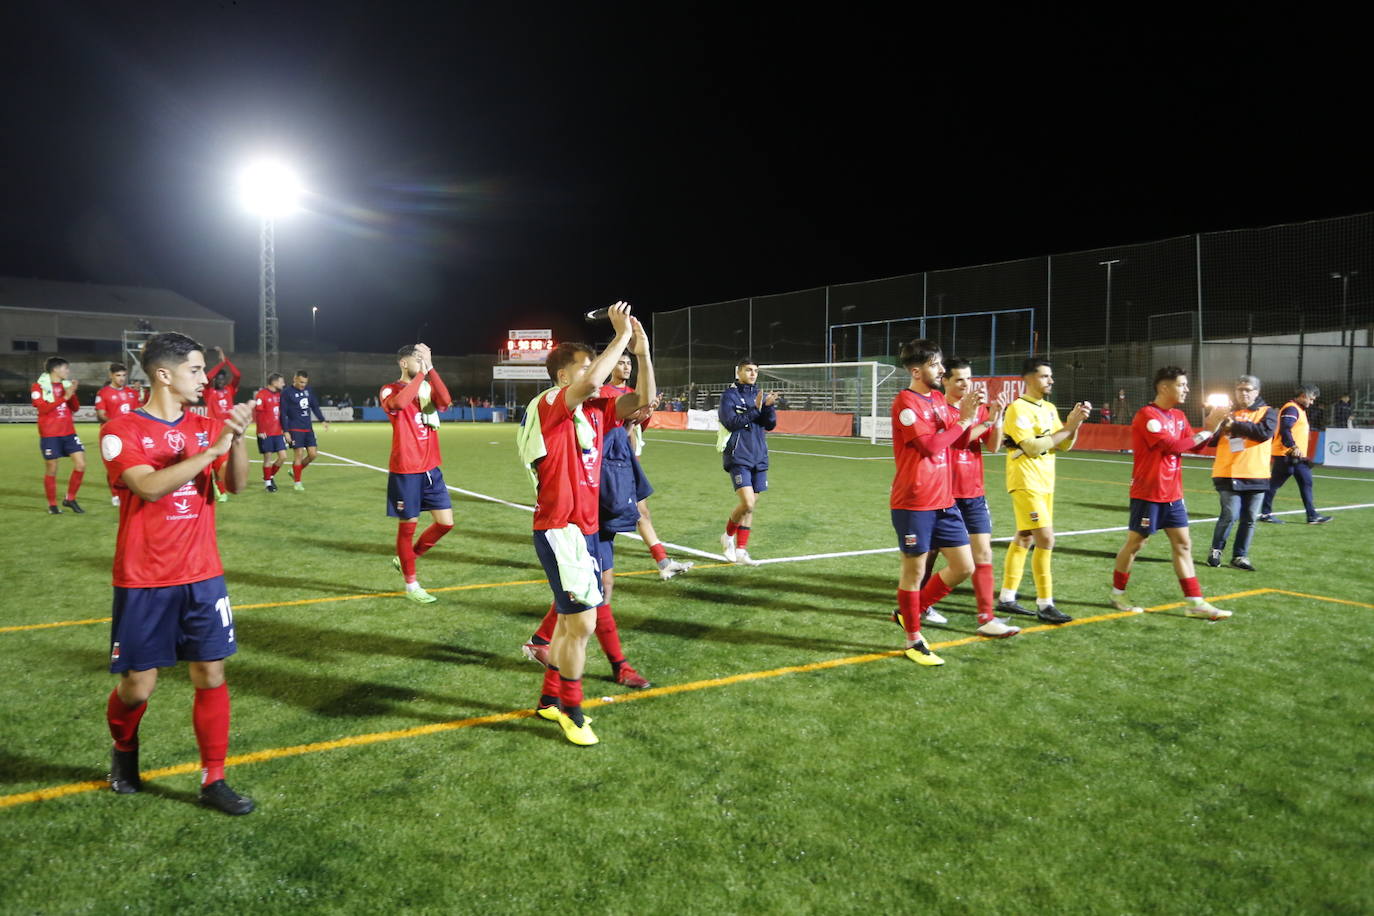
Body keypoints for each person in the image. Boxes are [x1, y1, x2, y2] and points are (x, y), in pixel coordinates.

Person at [98, 331, 257, 814]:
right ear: (164, 375)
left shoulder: (207, 425)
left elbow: (236, 484)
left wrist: (235, 440)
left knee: (210, 672)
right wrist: (209, 451)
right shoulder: (120, 429)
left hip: (202, 573)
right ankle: (125, 750)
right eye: (194, 370)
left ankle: (214, 779)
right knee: (138, 686)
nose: (202, 379)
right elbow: (147, 487)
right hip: (144, 578)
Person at [515, 302, 653, 746]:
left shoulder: (596, 407)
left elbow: (644, 402)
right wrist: (618, 338)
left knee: (566, 623)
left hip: (587, 529)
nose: (595, 371)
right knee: (582, 625)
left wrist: (643, 353)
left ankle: (550, 701)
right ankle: (573, 711)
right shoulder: (551, 403)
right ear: (562, 377)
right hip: (561, 529)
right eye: (586, 365)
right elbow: (594, 379)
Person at [889, 342, 1017, 666]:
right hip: (915, 502)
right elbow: (932, 446)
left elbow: (960, 438)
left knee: (964, 566)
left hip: (945, 501)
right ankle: (913, 640)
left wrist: (983, 420)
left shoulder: (936, 399)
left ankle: (911, 612)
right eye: (935, 365)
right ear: (916, 371)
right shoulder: (906, 402)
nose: (942, 370)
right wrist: (964, 420)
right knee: (914, 571)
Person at [1109, 366, 1233, 620]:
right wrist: (1208, 430)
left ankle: (1195, 602)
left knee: (1183, 544)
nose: (1187, 389)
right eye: (1182, 384)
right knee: (1136, 543)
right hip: (1148, 493)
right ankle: (1117, 594)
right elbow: (1172, 446)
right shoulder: (1147, 415)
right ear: (1164, 387)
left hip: (1173, 494)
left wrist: (1214, 424)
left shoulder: (1178, 416)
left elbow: (1196, 448)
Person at [917, 358, 1021, 638]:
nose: (966, 384)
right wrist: (982, 419)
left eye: (969, 379)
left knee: (983, 552)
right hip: (944, 492)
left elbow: (994, 446)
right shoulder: (938, 408)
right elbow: (957, 441)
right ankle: (916, 606)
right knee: (930, 554)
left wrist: (996, 418)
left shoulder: (979, 410)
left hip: (974, 492)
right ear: (946, 381)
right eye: (959, 379)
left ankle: (986, 618)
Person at [996, 358, 1090, 624]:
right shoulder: (1017, 409)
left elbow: (1064, 445)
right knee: (1046, 539)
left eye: (1051, 376)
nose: (1051, 380)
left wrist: (1075, 424)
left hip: (1045, 481)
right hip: (1026, 481)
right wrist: (1068, 428)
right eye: (1045, 376)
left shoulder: (1048, 408)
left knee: (1025, 537)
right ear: (1028, 379)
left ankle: (1006, 598)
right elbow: (1032, 447)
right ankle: (1045, 604)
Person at [604, 353, 693, 580]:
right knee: (630, 515)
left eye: (628, 363)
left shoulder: (634, 393)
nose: (625, 367)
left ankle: (663, 562)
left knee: (642, 513)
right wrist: (634, 416)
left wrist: (646, 414)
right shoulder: (606, 393)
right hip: (612, 465)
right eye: (621, 362)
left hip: (631, 462)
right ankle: (661, 562)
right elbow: (613, 430)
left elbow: (638, 429)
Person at [381, 344, 455, 604]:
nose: (421, 362)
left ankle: (406, 558)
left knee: (446, 523)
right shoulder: (390, 389)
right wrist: (422, 375)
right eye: (418, 359)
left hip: (431, 468)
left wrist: (431, 368)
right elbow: (399, 404)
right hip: (406, 470)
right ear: (403, 363)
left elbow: (445, 401)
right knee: (408, 528)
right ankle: (411, 586)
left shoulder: (426, 388)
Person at [1207, 375, 1276, 571]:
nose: (1243, 393)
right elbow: (1211, 440)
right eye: (1240, 389)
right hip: (1227, 472)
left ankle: (1240, 556)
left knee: (1249, 519)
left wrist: (1234, 425)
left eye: (1248, 389)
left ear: (1257, 392)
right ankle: (1216, 550)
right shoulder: (1227, 411)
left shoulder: (1268, 412)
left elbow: (1263, 432)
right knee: (1230, 514)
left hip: (1256, 474)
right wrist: (1215, 417)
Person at [718, 358, 777, 566]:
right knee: (748, 502)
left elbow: (769, 425)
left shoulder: (759, 394)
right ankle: (727, 536)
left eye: (755, 371)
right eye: (748, 370)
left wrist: (768, 408)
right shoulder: (729, 395)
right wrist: (755, 409)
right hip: (738, 455)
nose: (753, 374)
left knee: (751, 507)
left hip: (759, 456)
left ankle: (742, 550)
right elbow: (731, 422)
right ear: (738, 372)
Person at [1258, 385, 1331, 525]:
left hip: (1297, 457)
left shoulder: (1299, 410)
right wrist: (1292, 446)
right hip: (1286, 454)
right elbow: (1285, 429)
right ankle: (1265, 513)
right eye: (1311, 399)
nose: (1312, 402)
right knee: (1274, 485)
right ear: (1303, 395)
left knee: (1306, 483)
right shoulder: (1291, 408)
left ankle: (1312, 516)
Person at [32, 356, 87, 514]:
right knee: (52, 468)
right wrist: (64, 397)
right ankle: (52, 504)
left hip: (69, 432)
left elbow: (75, 408)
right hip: (50, 434)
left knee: (81, 464)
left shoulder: (66, 386)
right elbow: (43, 409)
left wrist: (72, 394)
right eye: (65, 368)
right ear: (55, 369)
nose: (68, 371)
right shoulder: (38, 387)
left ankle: (70, 499)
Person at [95, 363, 144, 507]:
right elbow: (101, 415)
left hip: (130, 435)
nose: (121, 378)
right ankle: (115, 494)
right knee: (114, 467)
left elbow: (137, 412)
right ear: (111, 375)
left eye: (123, 375)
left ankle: (131, 490)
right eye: (118, 375)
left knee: (132, 464)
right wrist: (117, 425)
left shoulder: (131, 393)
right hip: (111, 435)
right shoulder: (103, 393)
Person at [280, 369, 330, 491]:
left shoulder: (309, 391)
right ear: (295, 379)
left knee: (313, 455)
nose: (303, 385)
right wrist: (286, 431)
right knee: (299, 454)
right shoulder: (287, 393)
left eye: (305, 383)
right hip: (295, 428)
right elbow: (283, 413)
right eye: (301, 382)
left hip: (308, 428)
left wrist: (322, 420)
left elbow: (314, 406)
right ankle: (297, 483)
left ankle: (294, 470)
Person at [204, 347, 242, 503]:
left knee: (224, 462)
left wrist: (226, 360)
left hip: (228, 430)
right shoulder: (208, 392)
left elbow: (238, 375)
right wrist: (220, 364)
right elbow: (208, 376)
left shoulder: (229, 390)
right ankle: (219, 487)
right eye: (217, 379)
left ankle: (221, 488)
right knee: (214, 461)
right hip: (213, 431)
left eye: (222, 379)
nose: (220, 381)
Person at [253, 373, 289, 492]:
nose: (283, 384)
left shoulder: (280, 395)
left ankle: (270, 476)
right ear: (274, 382)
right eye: (281, 381)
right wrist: (260, 430)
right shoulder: (261, 395)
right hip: (266, 433)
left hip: (278, 431)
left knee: (283, 457)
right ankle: (268, 483)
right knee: (267, 458)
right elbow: (258, 414)